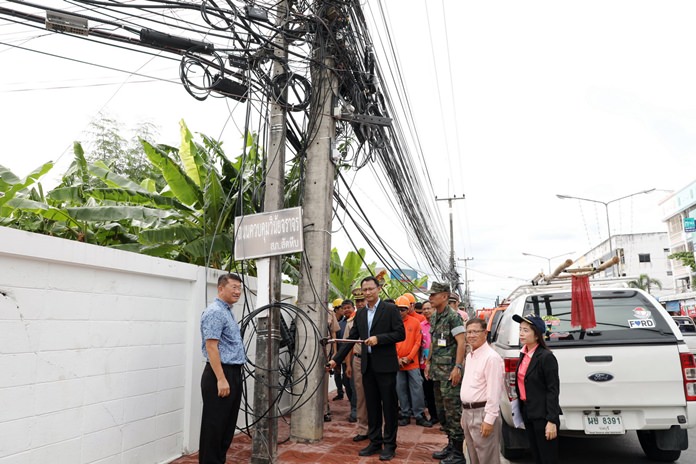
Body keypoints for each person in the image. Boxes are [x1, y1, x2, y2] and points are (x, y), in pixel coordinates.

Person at [328, 276, 405, 462]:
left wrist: (379, 339)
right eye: (365, 290)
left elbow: (399, 334)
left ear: (378, 289)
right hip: (367, 366)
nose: (368, 292)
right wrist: (335, 360)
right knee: (371, 406)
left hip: (385, 366)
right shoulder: (361, 314)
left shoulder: (390, 310)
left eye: (371, 289)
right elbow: (351, 340)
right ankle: (375, 441)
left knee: (389, 406)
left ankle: (390, 445)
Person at [199, 273, 247, 464]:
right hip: (220, 374)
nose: (237, 291)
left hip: (232, 373)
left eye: (239, 288)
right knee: (215, 428)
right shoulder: (215, 312)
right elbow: (211, 346)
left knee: (226, 428)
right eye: (233, 287)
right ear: (221, 288)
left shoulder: (227, 310)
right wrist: (221, 379)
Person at [425, 282, 467, 464]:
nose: (430, 298)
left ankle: (458, 454)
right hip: (437, 372)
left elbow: (462, 342)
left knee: (453, 412)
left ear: (444, 296)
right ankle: (450, 445)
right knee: (442, 412)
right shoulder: (435, 317)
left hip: (450, 373)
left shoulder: (453, 317)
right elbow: (434, 342)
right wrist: (427, 362)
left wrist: (458, 367)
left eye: (434, 295)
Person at [512, 314, 561, 464]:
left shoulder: (546, 357)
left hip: (543, 415)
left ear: (537, 334)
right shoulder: (524, 354)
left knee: (547, 457)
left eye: (526, 330)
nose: (521, 333)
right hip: (528, 411)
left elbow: (553, 390)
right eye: (520, 329)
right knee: (536, 455)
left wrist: (551, 420)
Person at [459, 318, 504, 464]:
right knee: (473, 457)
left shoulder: (491, 358)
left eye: (475, 332)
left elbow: (494, 392)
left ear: (485, 333)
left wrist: (489, 420)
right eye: (468, 332)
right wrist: (464, 415)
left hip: (482, 413)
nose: (471, 335)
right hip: (468, 413)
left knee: (487, 458)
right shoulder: (470, 356)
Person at [394, 296, 431, 427]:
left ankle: (419, 415)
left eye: (403, 309)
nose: (400, 312)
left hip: (412, 362)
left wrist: (408, 358)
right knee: (401, 389)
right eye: (398, 309)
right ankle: (405, 414)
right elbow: (392, 342)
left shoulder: (415, 322)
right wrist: (397, 358)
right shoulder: (392, 323)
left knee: (417, 388)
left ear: (408, 308)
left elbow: (417, 342)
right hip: (397, 363)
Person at [344, 290, 368, 436]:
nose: (360, 303)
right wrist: (348, 365)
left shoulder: (376, 316)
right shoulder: (351, 322)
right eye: (357, 301)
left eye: (362, 300)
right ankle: (362, 428)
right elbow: (348, 345)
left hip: (374, 360)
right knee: (360, 395)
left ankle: (376, 427)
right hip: (358, 359)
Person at [420, 300, 438, 424]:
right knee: (428, 391)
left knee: (440, 393)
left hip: (439, 364)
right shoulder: (421, 325)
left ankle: (444, 418)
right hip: (424, 364)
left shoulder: (439, 324)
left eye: (429, 308)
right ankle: (433, 416)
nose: (426, 311)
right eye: (424, 309)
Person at [332, 298, 347, 401]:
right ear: (336, 309)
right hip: (335, 352)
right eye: (341, 308)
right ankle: (339, 392)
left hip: (345, 351)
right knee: (337, 373)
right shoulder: (331, 320)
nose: (343, 310)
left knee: (346, 374)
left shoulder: (345, 322)